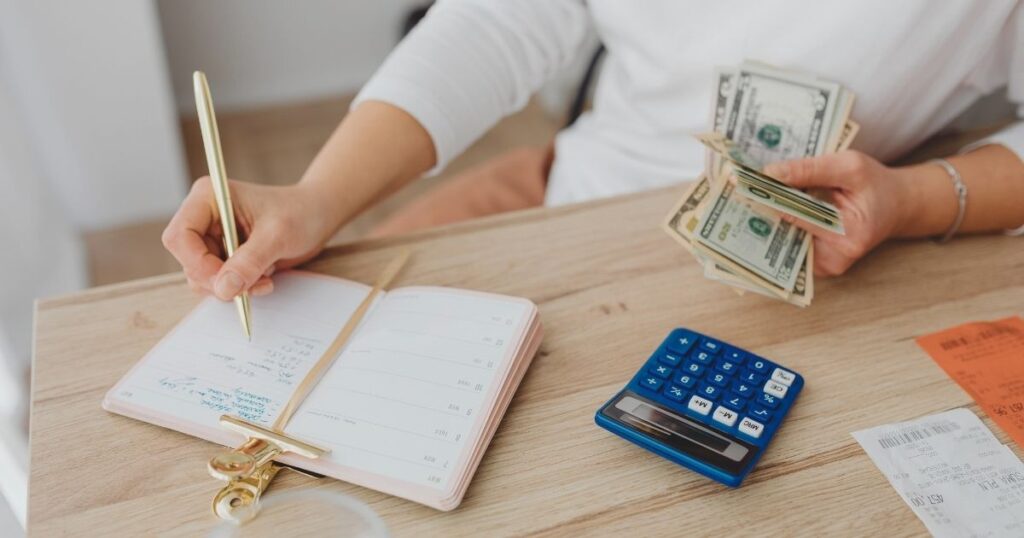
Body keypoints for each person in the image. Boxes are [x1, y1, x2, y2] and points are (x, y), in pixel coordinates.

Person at [162, 1, 1024, 300]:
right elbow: (501, 21)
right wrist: (315, 196)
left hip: (805, 271)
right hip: (561, 190)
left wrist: (914, 200)